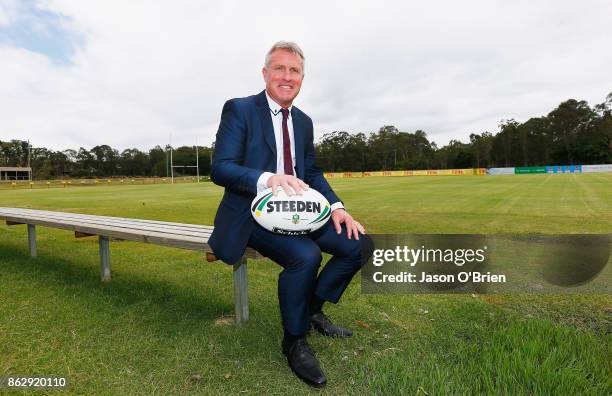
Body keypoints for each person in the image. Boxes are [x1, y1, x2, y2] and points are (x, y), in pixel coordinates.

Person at [209, 41, 373, 388]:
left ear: (302, 77)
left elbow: (310, 173)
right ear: (265, 73)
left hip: (301, 209)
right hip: (251, 213)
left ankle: (311, 309)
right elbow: (221, 169)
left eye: (294, 70)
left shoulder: (304, 122)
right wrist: (269, 179)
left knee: (360, 244)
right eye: (279, 69)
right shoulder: (239, 110)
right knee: (306, 256)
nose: (287, 76)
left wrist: (338, 208)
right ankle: (294, 341)